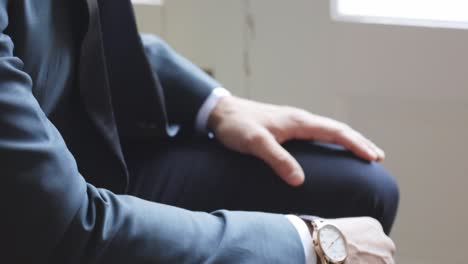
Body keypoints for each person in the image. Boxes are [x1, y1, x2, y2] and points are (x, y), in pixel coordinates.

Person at [0, 0, 399, 263]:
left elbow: (83, 28)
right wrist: (309, 247)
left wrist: (214, 105)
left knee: (361, 191)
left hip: (72, 154)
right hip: (44, 219)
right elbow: (60, 227)